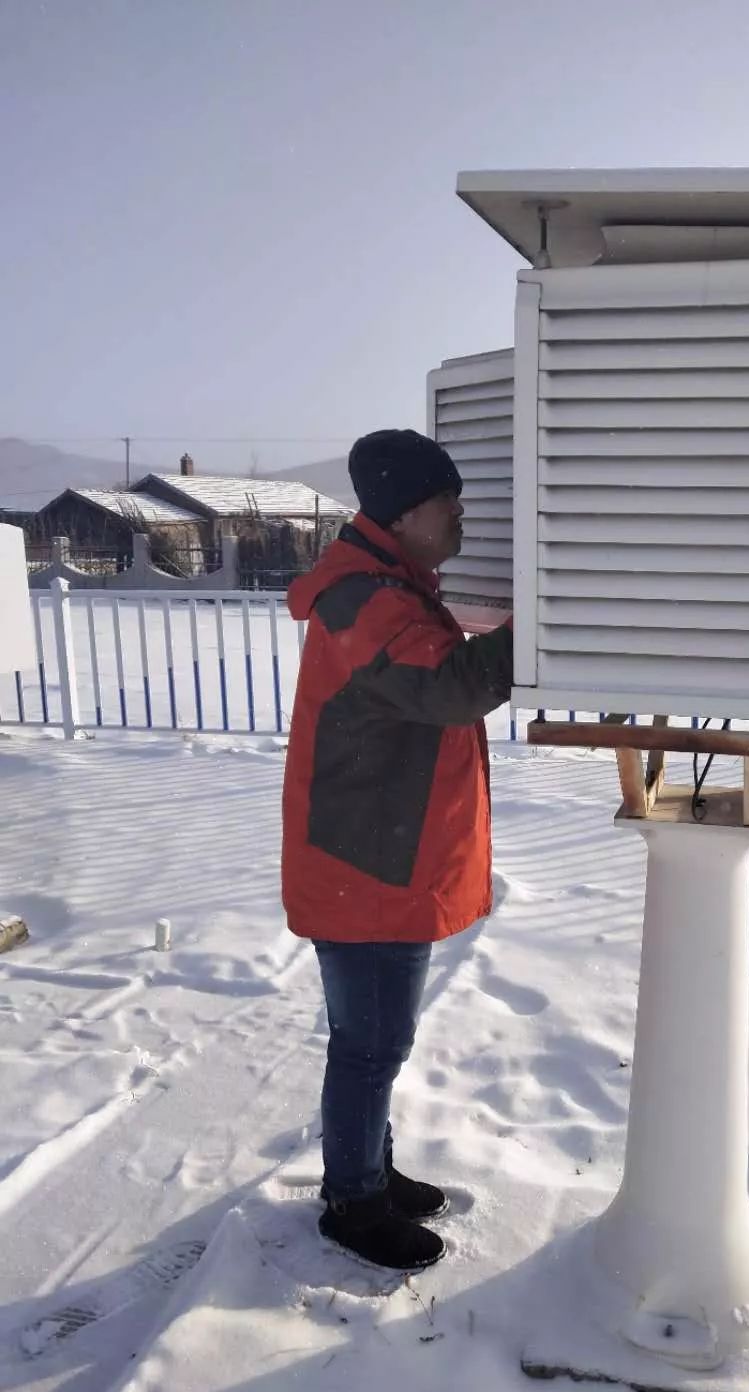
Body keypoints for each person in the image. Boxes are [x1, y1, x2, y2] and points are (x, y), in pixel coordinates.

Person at [281, 429, 513, 1272]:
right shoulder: (364, 600)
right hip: (364, 865)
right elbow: (448, 687)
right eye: (449, 500)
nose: (461, 513)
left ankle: (367, 1171)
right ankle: (353, 1201)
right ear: (406, 511)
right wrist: (544, 620)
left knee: (375, 1037)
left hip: (377, 855)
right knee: (370, 1044)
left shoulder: (390, 587)